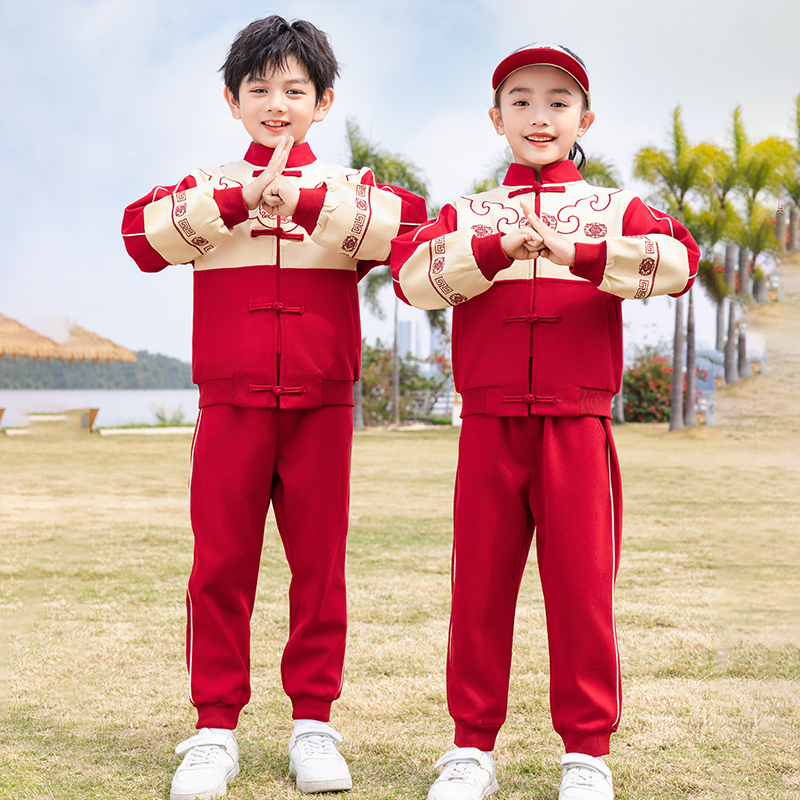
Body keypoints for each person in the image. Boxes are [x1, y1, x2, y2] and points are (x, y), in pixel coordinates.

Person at [121, 16, 426, 800]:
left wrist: (306, 200)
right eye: (259, 88)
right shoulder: (204, 188)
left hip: (322, 406)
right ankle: (213, 731)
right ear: (232, 100)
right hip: (230, 404)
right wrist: (241, 198)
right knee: (220, 568)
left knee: (319, 570)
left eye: (295, 89)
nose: (276, 102)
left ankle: (313, 727)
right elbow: (140, 237)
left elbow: (418, 233)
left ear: (324, 102)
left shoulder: (354, 192)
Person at [391, 44, 699, 800]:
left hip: (576, 427)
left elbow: (680, 262)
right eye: (521, 100)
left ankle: (586, 754)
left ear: (583, 119)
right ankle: (470, 749)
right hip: (489, 424)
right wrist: (495, 248)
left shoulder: (614, 207)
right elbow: (410, 279)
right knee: (480, 593)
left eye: (558, 102)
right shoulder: (466, 213)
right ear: (496, 119)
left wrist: (578, 251)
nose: (540, 115)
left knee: (582, 592)